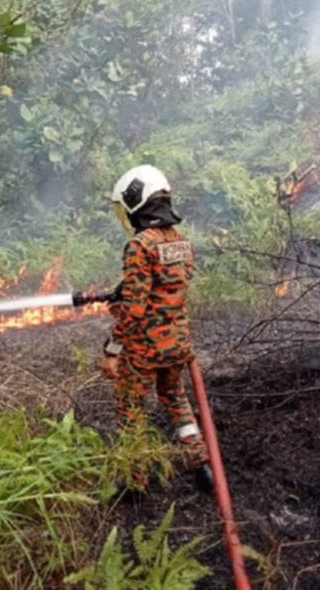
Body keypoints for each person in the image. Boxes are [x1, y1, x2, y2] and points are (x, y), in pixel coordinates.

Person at [99, 164, 214, 493]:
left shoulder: (140, 245)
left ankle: (135, 479)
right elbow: (166, 291)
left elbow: (135, 310)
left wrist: (112, 349)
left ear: (136, 202)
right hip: (178, 343)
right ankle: (201, 462)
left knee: (130, 407)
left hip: (145, 348)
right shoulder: (181, 242)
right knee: (174, 398)